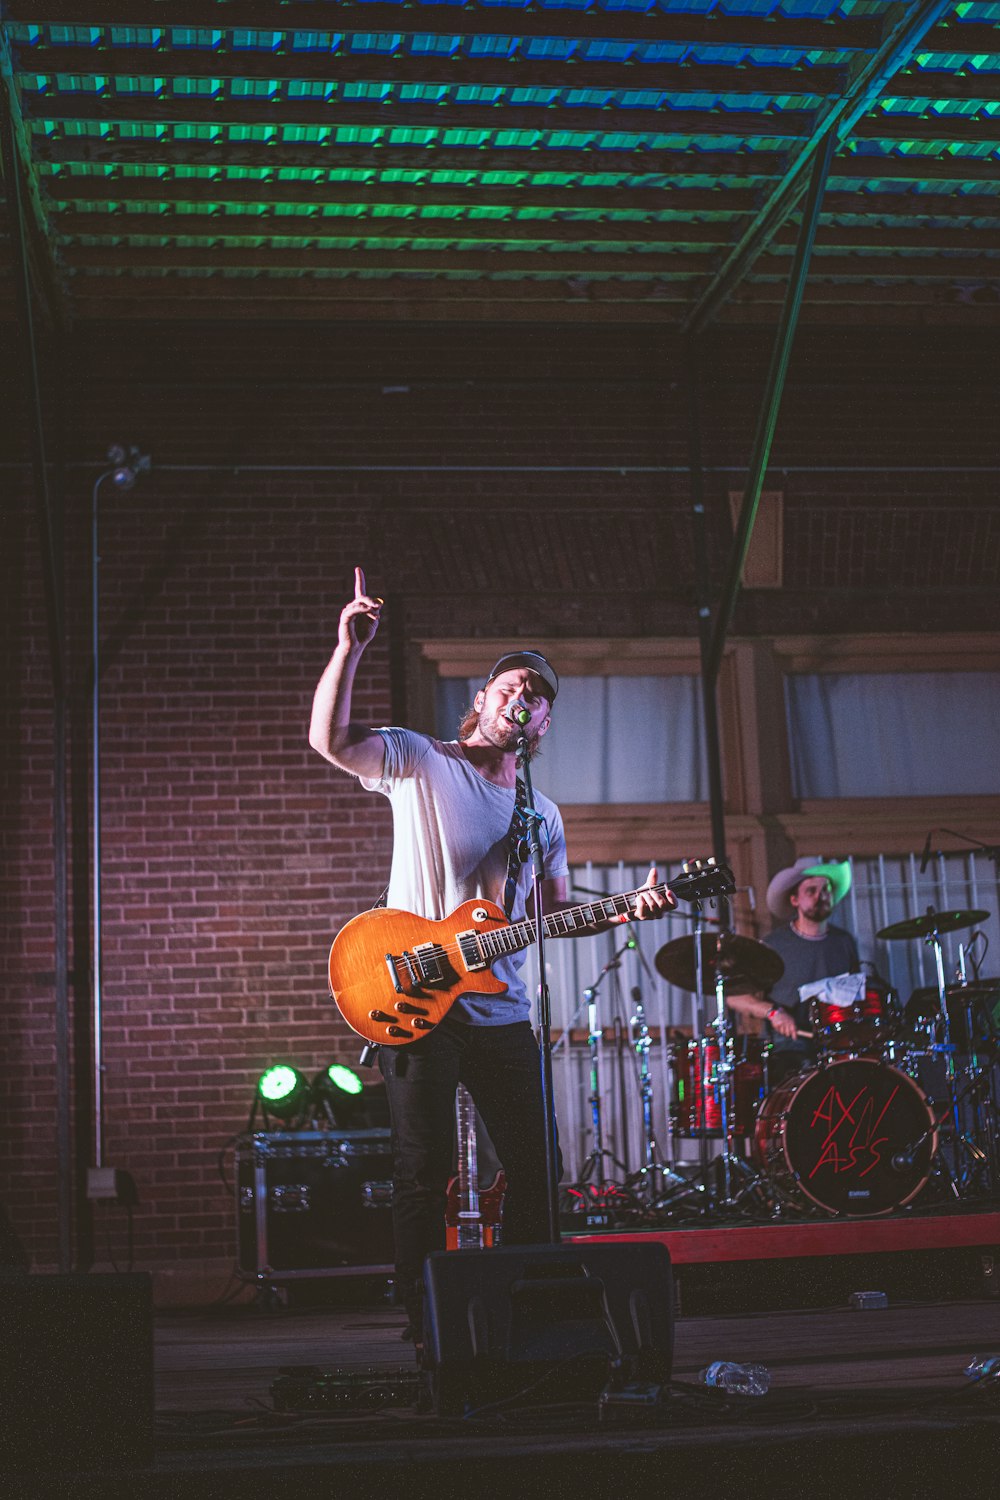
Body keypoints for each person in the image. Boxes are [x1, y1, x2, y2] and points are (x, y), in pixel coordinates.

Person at [309, 567, 675, 1351]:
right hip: (412, 992)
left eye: (537, 695)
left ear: (544, 723)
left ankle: (521, 1306)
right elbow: (331, 742)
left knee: (539, 1170)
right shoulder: (423, 761)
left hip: (501, 1006)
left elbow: (547, 913)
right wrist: (349, 650)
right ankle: (426, 1318)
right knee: (422, 1169)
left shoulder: (540, 811)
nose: (523, 698)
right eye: (511, 685)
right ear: (483, 700)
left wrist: (626, 911)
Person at [726, 857, 859, 1085]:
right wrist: (772, 1012)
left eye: (825, 890)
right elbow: (734, 996)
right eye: (811, 891)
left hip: (837, 1046)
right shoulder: (773, 945)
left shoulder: (843, 942)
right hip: (788, 1050)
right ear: (795, 899)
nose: (820, 896)